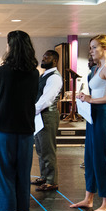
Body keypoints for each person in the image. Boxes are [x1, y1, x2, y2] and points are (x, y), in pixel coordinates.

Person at [0, 31, 39, 211]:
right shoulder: (35, 73)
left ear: (10, 47)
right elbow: (32, 99)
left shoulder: (1, 71)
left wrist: (2, 103)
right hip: (26, 132)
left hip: (4, 132)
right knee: (22, 178)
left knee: (5, 177)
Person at [71, 35, 106, 211]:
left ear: (105, 48)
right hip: (93, 114)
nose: (91, 51)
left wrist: (92, 99)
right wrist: (85, 97)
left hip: (104, 113)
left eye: (94, 47)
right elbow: (97, 92)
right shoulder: (96, 68)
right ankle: (88, 198)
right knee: (90, 157)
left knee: (102, 158)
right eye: (90, 48)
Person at [32, 50, 62, 192]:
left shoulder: (54, 77)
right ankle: (44, 176)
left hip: (47, 115)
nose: (43, 59)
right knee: (40, 148)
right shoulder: (44, 74)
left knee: (48, 149)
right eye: (43, 56)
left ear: (55, 60)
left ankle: (51, 181)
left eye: (47, 57)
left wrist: (31, 110)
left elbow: (47, 99)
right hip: (39, 115)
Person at [79, 54, 97, 169]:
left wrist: (89, 98)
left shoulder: (95, 72)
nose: (88, 63)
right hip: (93, 107)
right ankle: (89, 161)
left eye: (90, 61)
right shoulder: (91, 73)